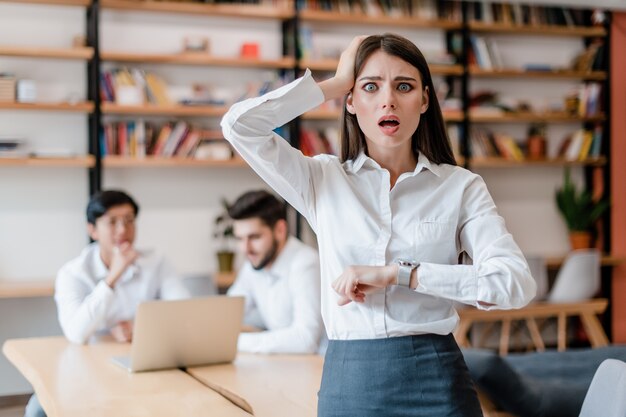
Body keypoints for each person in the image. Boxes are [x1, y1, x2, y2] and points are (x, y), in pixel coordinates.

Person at [221, 33, 536, 416]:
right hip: (350, 381)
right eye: (370, 86)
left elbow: (514, 284)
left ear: (424, 100)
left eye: (404, 86)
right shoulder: (321, 179)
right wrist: (336, 83)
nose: (388, 100)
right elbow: (239, 126)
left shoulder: (460, 186)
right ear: (351, 102)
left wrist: (400, 275)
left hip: (437, 379)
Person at [24, 190, 190, 417]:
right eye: (112, 222)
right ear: (92, 229)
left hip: (144, 366)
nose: (123, 230)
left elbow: (185, 312)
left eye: (129, 220)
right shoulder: (73, 273)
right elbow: (76, 332)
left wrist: (139, 327)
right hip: (87, 370)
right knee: (38, 409)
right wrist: (113, 277)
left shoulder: (157, 262)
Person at [226, 190, 323, 354]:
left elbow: (306, 339)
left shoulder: (305, 263)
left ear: (280, 230)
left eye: (254, 237)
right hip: (283, 366)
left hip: (316, 368)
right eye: (239, 239)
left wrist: (235, 341)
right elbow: (228, 313)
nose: (245, 249)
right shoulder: (254, 263)